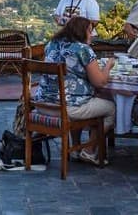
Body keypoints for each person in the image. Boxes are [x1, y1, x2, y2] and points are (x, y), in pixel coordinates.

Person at [36, 16, 115, 164]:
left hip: (43, 105)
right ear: (81, 32)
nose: (93, 35)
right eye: (90, 31)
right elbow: (100, 82)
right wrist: (108, 66)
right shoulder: (83, 50)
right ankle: (89, 151)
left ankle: (76, 148)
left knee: (78, 98)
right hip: (65, 108)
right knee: (111, 108)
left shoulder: (52, 44)